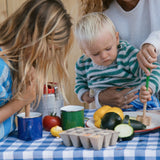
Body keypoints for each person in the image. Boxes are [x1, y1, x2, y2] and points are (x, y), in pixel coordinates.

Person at [0, 0, 72, 141]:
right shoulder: (1, 66)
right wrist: (20, 101)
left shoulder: (14, 63)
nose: (47, 57)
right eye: (50, 49)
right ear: (32, 36)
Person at [80, 0, 160, 109]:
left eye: (108, 48)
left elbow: (153, 71)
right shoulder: (103, 14)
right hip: (123, 106)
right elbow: (94, 77)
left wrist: (152, 43)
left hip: (149, 92)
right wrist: (99, 98)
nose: (103, 56)